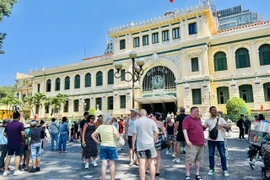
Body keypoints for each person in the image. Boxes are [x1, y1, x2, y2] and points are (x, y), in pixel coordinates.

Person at [132, 109, 159, 180]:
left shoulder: (136, 122)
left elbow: (134, 134)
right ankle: (152, 179)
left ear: (139, 115)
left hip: (141, 145)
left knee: (141, 164)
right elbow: (157, 132)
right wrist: (154, 141)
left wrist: (133, 144)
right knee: (152, 164)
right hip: (150, 144)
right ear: (146, 114)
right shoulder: (151, 121)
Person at [203, 106, 230, 177]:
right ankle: (211, 169)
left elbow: (228, 127)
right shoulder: (207, 120)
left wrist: (223, 126)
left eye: (215, 110)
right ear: (210, 111)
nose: (215, 111)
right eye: (213, 110)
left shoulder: (221, 119)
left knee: (223, 155)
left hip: (220, 140)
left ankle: (225, 169)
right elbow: (203, 128)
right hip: (211, 140)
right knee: (211, 155)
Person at [92, 114, 120, 180]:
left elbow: (93, 135)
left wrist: (98, 142)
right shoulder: (112, 127)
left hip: (103, 146)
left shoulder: (100, 127)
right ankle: (112, 178)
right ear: (110, 120)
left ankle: (103, 178)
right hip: (112, 146)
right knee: (112, 165)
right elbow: (118, 137)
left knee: (104, 165)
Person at [182, 107, 205, 180]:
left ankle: (197, 173)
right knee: (189, 159)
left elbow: (201, 131)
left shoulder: (198, 119)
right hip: (192, 143)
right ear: (192, 112)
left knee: (198, 159)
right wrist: (187, 140)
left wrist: (204, 141)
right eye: (196, 111)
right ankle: (187, 174)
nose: (198, 112)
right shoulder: (187, 119)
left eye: (198, 111)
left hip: (200, 143)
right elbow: (184, 130)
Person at [3, 112, 25, 176]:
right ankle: (16, 170)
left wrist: (9, 137)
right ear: (19, 117)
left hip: (10, 142)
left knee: (9, 156)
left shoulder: (8, 124)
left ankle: (5, 171)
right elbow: (23, 133)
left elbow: (4, 134)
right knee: (17, 155)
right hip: (18, 142)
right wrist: (23, 138)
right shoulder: (20, 124)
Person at [150, 112, 165, 177]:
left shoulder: (160, 123)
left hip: (158, 141)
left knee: (158, 156)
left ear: (155, 116)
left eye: (152, 116)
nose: (151, 117)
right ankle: (152, 168)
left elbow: (164, 132)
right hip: (150, 141)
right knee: (151, 156)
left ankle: (157, 170)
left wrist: (158, 133)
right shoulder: (149, 122)